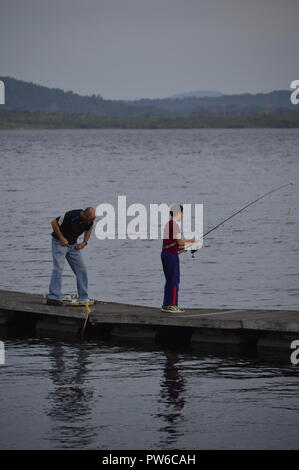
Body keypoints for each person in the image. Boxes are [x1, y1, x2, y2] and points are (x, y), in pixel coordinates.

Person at [47, 207, 96, 305]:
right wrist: (61, 238)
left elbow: (89, 230)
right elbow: (53, 222)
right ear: (84, 215)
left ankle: (83, 296)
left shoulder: (90, 221)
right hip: (59, 243)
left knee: (81, 269)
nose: (91, 222)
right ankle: (53, 296)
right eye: (90, 219)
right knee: (58, 268)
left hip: (73, 246)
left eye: (93, 220)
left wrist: (84, 242)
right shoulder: (72, 215)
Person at [161, 204, 199, 313]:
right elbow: (180, 242)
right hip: (171, 256)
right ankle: (173, 305)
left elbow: (172, 243)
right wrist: (193, 240)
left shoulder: (168, 224)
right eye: (182, 212)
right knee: (174, 280)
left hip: (165, 254)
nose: (183, 215)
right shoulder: (175, 225)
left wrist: (184, 247)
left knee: (169, 280)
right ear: (178, 213)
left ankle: (166, 305)